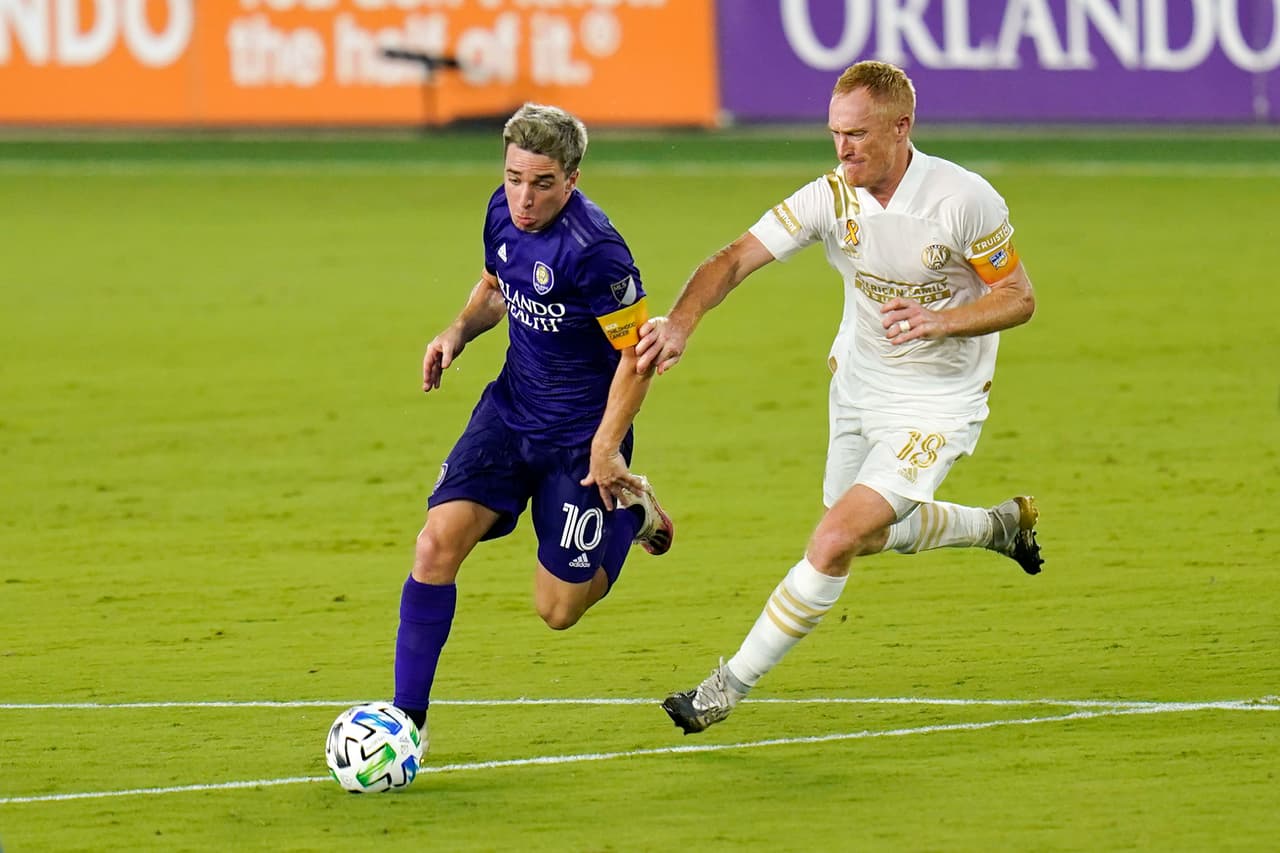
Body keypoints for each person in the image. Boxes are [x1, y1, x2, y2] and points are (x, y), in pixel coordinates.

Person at [635, 61, 1042, 735]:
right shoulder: (831, 197)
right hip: (857, 385)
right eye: (834, 133)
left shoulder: (964, 200)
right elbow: (733, 258)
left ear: (901, 127)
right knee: (862, 533)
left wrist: (941, 320)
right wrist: (681, 321)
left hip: (938, 403)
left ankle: (724, 686)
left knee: (832, 540)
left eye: (856, 134)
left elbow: (1019, 298)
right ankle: (995, 527)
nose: (842, 149)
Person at [391, 103, 674, 736]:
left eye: (542, 183)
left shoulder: (597, 252)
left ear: (572, 179)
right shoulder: (500, 211)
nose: (523, 198)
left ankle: (633, 514)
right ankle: (407, 721)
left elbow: (637, 357)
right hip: (510, 414)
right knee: (434, 545)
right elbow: (496, 288)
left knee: (558, 609)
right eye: (514, 177)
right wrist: (457, 331)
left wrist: (606, 446)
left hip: (581, 439)